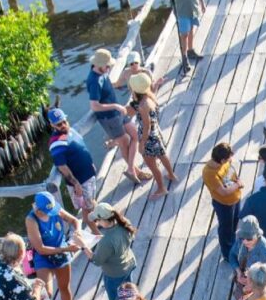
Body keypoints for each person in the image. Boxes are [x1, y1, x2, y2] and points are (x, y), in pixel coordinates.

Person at [88, 48, 151, 183]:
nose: (109, 67)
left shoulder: (101, 72)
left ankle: (131, 169)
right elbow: (94, 105)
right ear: (99, 65)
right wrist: (115, 106)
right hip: (109, 117)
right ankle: (135, 171)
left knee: (135, 135)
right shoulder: (94, 81)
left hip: (118, 112)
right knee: (124, 142)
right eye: (107, 65)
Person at [25, 191, 83, 300]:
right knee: (46, 293)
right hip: (44, 256)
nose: (52, 213)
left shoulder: (54, 209)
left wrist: (78, 232)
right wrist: (66, 249)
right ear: (37, 210)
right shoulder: (31, 220)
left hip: (62, 252)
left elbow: (75, 221)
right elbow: (41, 248)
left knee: (64, 287)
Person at [47, 108, 101, 233]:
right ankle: (98, 234)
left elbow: (81, 147)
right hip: (80, 182)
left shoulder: (71, 131)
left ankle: (99, 221)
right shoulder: (56, 144)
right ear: (52, 125)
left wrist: (90, 163)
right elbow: (62, 167)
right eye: (59, 124)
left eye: (64, 121)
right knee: (87, 211)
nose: (63, 125)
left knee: (91, 202)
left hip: (88, 175)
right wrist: (76, 184)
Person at [81, 202, 136, 300]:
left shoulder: (106, 241)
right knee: (129, 296)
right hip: (129, 264)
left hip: (115, 275)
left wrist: (83, 246)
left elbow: (96, 261)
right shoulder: (124, 223)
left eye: (97, 220)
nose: (96, 222)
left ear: (104, 220)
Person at [125, 73, 176, 199]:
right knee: (163, 155)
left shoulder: (142, 106)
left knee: (152, 166)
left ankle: (161, 188)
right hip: (156, 133)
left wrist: (141, 144)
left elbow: (146, 126)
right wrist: (157, 85)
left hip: (148, 138)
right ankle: (171, 174)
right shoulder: (150, 97)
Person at [162, 0, 206, 74]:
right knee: (184, 33)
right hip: (181, 10)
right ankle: (184, 57)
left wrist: (202, 3)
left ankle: (191, 50)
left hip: (193, 7)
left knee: (191, 29)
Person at [203, 142, 244, 260]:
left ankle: (232, 241)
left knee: (234, 223)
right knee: (225, 228)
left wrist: (236, 181)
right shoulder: (210, 173)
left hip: (235, 199)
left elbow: (231, 170)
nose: (230, 160)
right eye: (227, 159)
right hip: (224, 204)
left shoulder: (225, 162)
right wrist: (238, 185)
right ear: (221, 160)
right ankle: (227, 254)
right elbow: (223, 192)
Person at [228, 216, 266, 291]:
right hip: (246, 278)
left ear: (257, 235)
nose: (245, 241)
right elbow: (232, 255)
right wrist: (238, 271)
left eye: (249, 238)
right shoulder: (240, 240)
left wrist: (253, 284)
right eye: (242, 238)